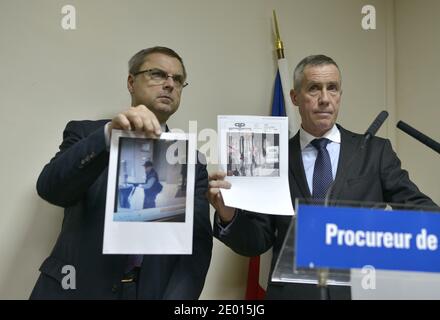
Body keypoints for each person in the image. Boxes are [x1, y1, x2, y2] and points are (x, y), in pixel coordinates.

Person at [207, 55, 438, 300]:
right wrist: (228, 214)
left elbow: (419, 209)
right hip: (292, 294)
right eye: (314, 89)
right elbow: (256, 243)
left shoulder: (374, 152)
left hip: (360, 292)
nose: (325, 99)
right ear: (295, 97)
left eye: (333, 88)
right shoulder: (271, 156)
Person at [31, 46, 212, 299]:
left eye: (178, 79)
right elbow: (51, 189)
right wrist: (108, 136)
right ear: (131, 82)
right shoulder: (87, 134)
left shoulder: (191, 161)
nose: (170, 84)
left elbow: (196, 251)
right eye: (158, 74)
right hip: (75, 289)